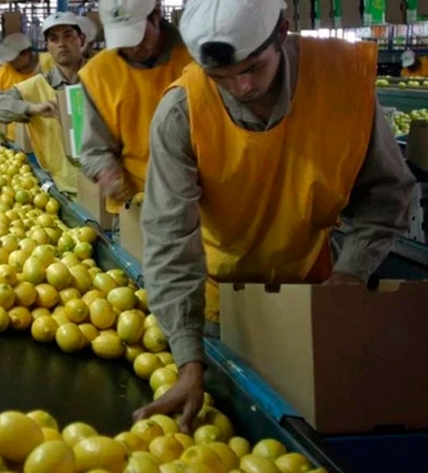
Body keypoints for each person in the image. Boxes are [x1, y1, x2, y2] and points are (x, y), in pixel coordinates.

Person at [135, 0, 417, 433]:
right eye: (221, 78)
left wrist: (349, 275)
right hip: (222, 304)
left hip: (314, 290)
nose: (242, 87)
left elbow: (386, 193)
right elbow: (170, 237)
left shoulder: (342, 79)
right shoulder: (182, 111)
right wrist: (189, 359)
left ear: (282, 31)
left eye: (252, 67)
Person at [79, 0, 192, 213]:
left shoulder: (193, 56)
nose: (133, 48)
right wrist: (107, 174)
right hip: (136, 204)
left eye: (139, 35)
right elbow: (94, 149)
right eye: (123, 39)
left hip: (197, 200)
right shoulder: (98, 74)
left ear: (156, 14)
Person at [0, 11, 90, 193]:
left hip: (110, 187)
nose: (62, 44)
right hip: (65, 188)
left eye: (68, 36)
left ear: (81, 39)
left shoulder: (102, 78)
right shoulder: (36, 87)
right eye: (54, 39)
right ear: (47, 46)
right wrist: (32, 108)